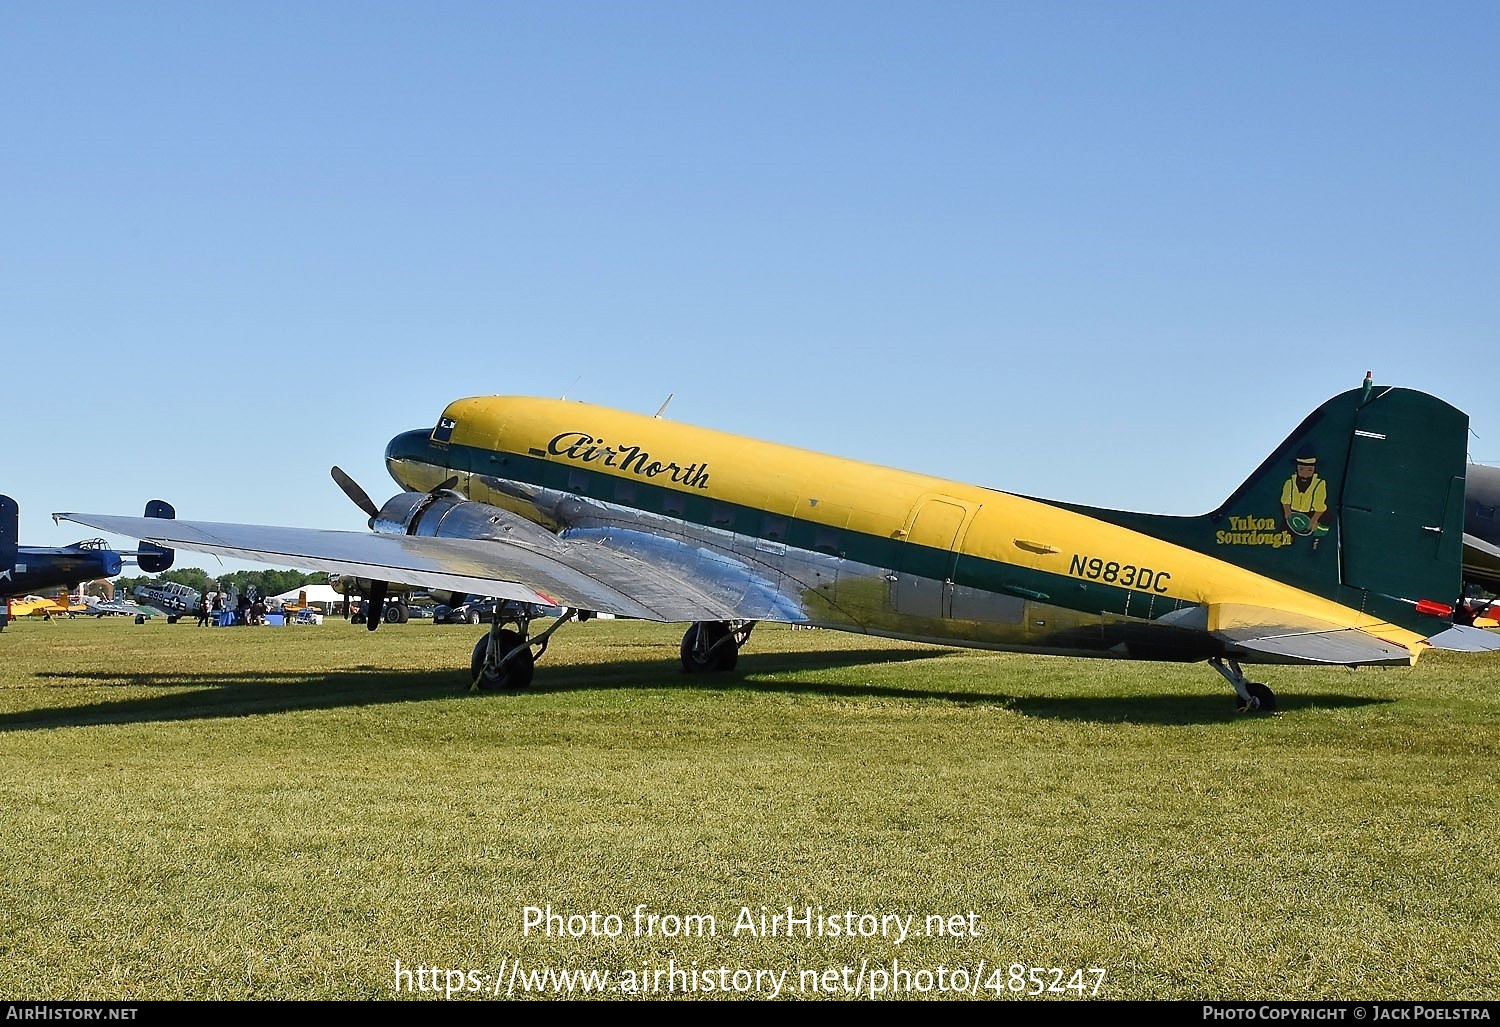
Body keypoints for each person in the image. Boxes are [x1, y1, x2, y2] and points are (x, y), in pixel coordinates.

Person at [1280, 448, 1329, 539]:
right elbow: (1285, 500)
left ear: (1314, 470)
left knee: (1319, 535)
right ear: (1297, 468)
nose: (1305, 475)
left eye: (1309, 470)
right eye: (1301, 469)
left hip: (1312, 515)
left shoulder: (1319, 484)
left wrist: (1313, 520)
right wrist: (1287, 513)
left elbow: (1320, 507)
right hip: (1292, 515)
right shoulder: (1289, 483)